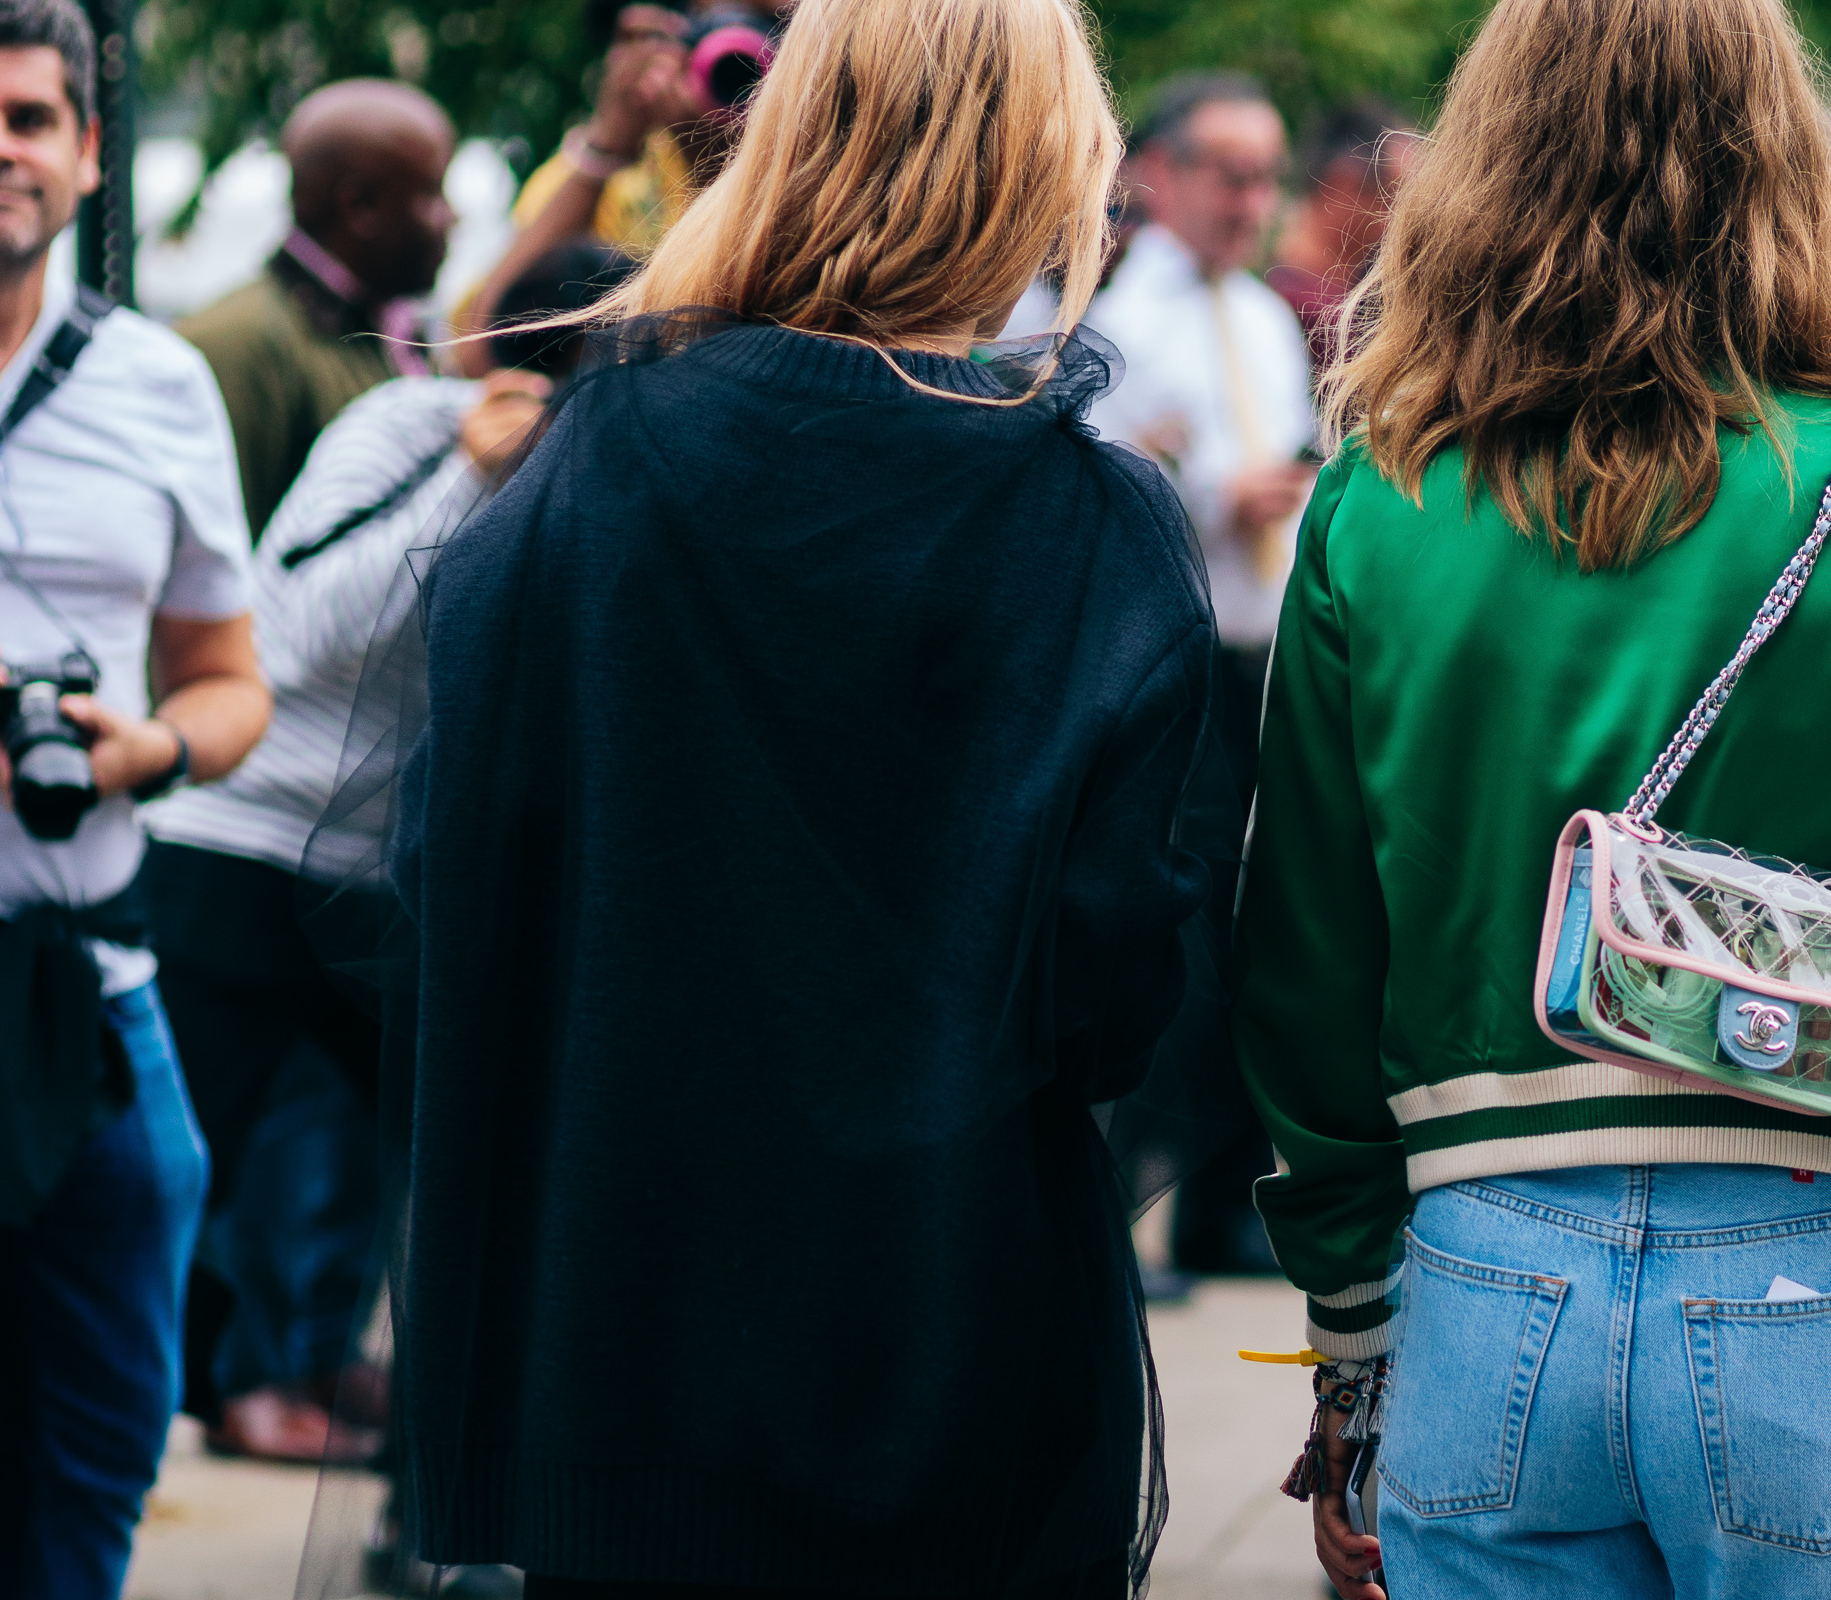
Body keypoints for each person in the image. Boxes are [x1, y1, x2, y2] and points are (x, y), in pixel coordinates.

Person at [1231, 3, 1831, 1597]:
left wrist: (1352, 1346)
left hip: (1482, 1283)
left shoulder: (1372, 501)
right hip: (1815, 1280)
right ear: (1787, 166)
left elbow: (1301, 958)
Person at [384, 0, 1211, 1592]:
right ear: (1047, 168)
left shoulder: (597, 457)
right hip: (946, 1339)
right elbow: (1112, 996)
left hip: (619, 1329)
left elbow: (442, 872)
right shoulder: (1085, 526)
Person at [140, 242, 632, 1466]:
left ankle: (379, 1429)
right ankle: (200, 1383)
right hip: (239, 844)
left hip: (396, 875)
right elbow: (300, 634)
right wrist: (465, 477)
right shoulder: (398, 432)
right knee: (179, 1154)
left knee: (426, 1169)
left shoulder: (619, 472)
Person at [0, 0, 272, 1590]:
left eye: (34, 117)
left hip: (89, 991)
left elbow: (232, 687)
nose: (5, 147)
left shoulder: (160, 386)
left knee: (94, 1463)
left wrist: (144, 749)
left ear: (91, 152)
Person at [1085, 71, 1315, 1279]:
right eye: (1228, 171)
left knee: (1266, 929)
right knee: (1170, 932)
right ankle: (1130, 1208)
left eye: (1267, 175)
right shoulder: (1121, 324)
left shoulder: (1270, 323)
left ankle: (1232, 1203)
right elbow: (1088, 501)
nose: (1251, 199)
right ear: (1156, 175)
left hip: (1266, 657)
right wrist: (1207, 499)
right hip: (1172, 658)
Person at [177, 79, 457, 540]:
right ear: (360, 206)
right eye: (432, 194)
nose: (452, 217)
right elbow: (216, 569)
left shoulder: (391, 330)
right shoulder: (236, 345)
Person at [452, 1, 769, 375]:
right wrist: (609, 142)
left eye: (765, 27)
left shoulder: (825, 165)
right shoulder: (595, 176)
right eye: (703, 26)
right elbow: (483, 351)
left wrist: (723, 171)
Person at [1265, 101, 1417, 375]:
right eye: (1396, 198)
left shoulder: (1357, 296)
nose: (1404, 220)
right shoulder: (1286, 308)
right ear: (1342, 185)